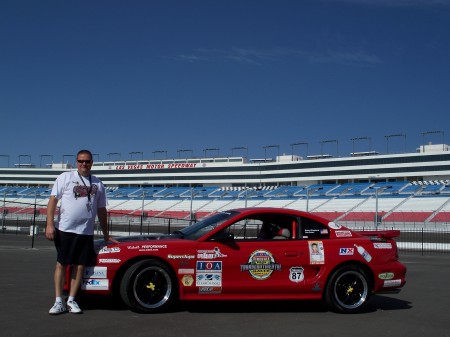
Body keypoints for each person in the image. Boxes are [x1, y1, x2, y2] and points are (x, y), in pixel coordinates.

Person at [45, 149, 116, 315]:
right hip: (65, 229)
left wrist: (106, 234)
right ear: (76, 162)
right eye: (81, 161)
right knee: (61, 264)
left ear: (92, 163)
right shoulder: (65, 177)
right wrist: (49, 224)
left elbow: (102, 210)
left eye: (87, 161)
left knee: (79, 266)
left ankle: (71, 300)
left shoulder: (98, 183)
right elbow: (53, 201)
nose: (84, 164)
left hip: (85, 232)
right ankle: (58, 301)